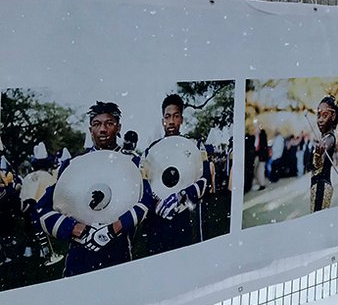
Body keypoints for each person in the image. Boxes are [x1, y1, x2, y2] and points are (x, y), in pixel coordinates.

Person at [33, 101, 153, 277]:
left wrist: (114, 228)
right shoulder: (73, 166)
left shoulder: (133, 164)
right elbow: (42, 209)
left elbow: (146, 200)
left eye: (109, 123)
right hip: (80, 255)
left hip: (118, 252)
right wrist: (75, 228)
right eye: (97, 124)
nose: (102, 129)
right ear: (90, 130)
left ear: (118, 128)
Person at [136, 94, 211, 257]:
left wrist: (181, 196)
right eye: (167, 117)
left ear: (181, 119)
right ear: (163, 119)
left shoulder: (195, 145)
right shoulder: (150, 150)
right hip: (156, 220)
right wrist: (156, 204)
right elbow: (143, 185)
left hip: (183, 215)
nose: (171, 121)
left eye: (176, 116)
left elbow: (205, 180)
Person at [310, 95, 338, 212]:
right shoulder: (325, 138)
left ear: (333, 116)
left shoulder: (329, 139)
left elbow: (319, 166)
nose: (320, 120)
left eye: (325, 115)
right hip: (319, 186)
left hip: (321, 187)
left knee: (316, 223)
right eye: (318, 115)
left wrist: (318, 155)